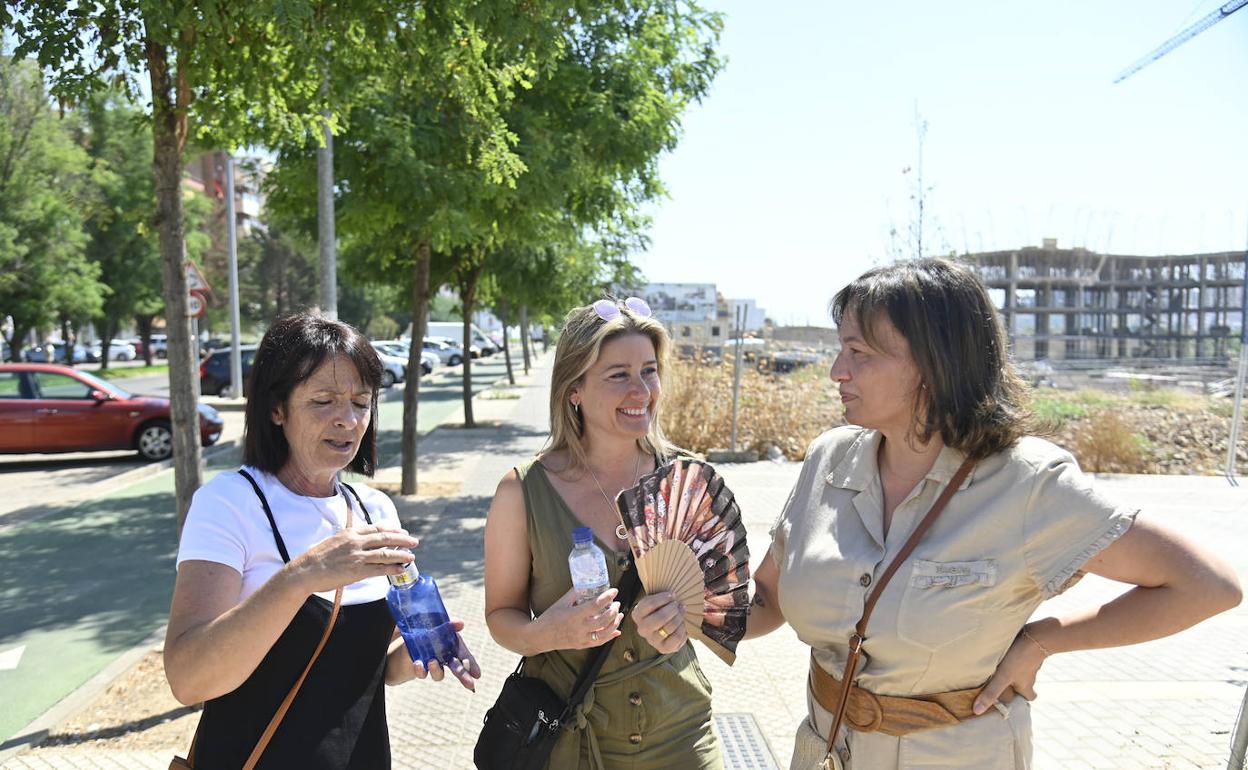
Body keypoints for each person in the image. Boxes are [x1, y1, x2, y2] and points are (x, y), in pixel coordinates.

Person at [745, 259, 1242, 770]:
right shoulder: (829, 459)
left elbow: (1207, 585)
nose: (837, 371)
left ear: (935, 364)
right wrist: (687, 606)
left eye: (859, 352)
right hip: (823, 754)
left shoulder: (1028, 484)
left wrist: (1043, 640)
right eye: (840, 348)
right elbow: (766, 599)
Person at [164, 313, 480, 769]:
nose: (347, 420)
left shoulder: (376, 509)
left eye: (360, 402)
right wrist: (302, 576)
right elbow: (188, 679)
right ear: (277, 409)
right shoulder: (229, 503)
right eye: (323, 401)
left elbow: (365, 666)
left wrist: (414, 656)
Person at [484, 297, 723, 770]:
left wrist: (689, 620)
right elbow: (500, 616)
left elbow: (723, 606)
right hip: (570, 740)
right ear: (575, 389)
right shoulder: (521, 492)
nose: (641, 391)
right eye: (619, 375)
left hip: (683, 736)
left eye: (650, 371)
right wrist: (544, 633)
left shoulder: (687, 481)